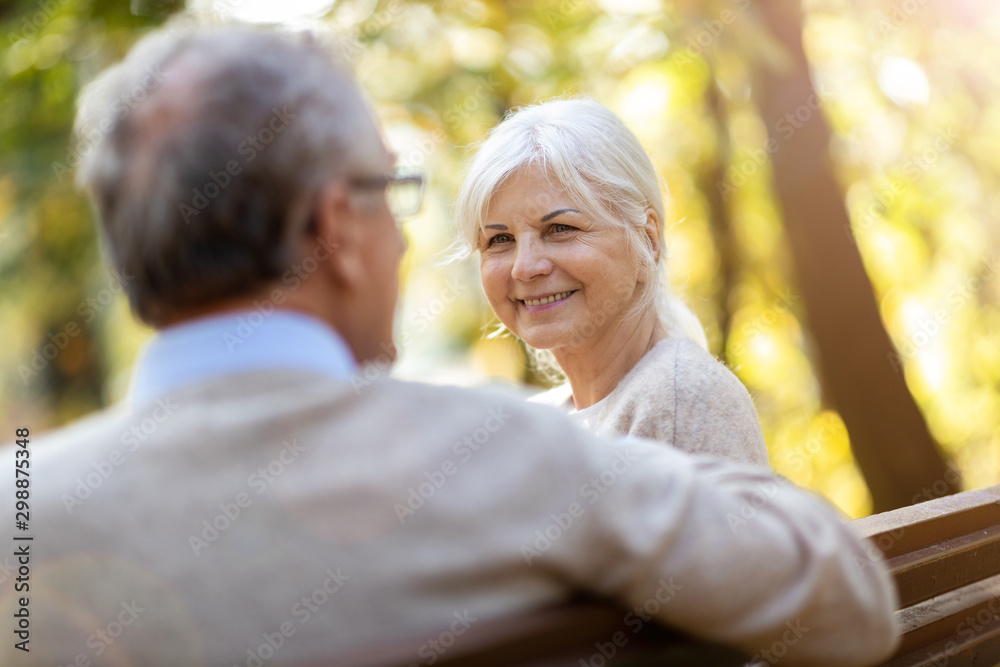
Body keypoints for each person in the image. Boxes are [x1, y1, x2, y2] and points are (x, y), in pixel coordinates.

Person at [0, 20, 898, 667]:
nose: (404, 239)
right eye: (389, 195)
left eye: (558, 228)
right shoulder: (503, 457)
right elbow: (850, 604)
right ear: (337, 229)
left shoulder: (21, 516)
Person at [455, 99, 769, 465]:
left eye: (560, 228)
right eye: (500, 239)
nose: (524, 268)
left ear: (647, 239)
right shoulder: (537, 424)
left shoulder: (683, 398)